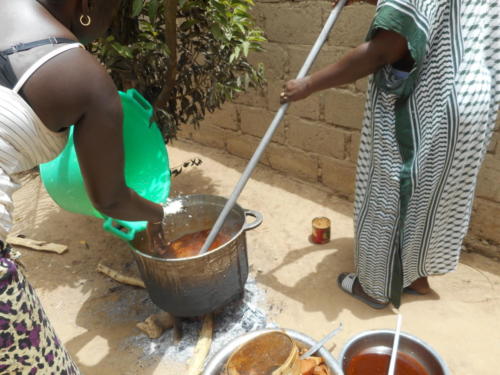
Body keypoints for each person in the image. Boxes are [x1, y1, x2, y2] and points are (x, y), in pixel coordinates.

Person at [282, 0, 499, 309]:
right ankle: (417, 278)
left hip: (424, 103)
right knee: (431, 199)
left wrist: (307, 84)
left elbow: (386, 49)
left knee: (388, 197)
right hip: (471, 98)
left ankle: (374, 289)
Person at [0, 0, 169, 372]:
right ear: (88, 5)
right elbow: (110, 199)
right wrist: (158, 213)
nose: (111, 25)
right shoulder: (83, 77)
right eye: (115, 11)